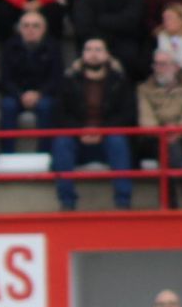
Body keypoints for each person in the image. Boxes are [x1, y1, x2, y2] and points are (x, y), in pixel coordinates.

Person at [52, 38, 138, 212]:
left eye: (98, 50)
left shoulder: (120, 81)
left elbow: (127, 115)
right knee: (62, 142)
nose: (93, 54)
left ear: (107, 55)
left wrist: (102, 130)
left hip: (108, 139)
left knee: (118, 140)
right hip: (78, 140)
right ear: (82, 55)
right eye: (89, 49)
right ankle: (67, 203)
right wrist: (80, 131)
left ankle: (123, 202)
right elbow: (59, 114)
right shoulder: (69, 81)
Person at [137, 48, 182, 194]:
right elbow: (146, 119)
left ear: (176, 67)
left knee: (172, 147)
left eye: (164, 64)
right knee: (166, 147)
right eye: (156, 64)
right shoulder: (144, 89)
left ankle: (169, 199)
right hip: (155, 138)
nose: (159, 68)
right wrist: (164, 132)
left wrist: (177, 131)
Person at [73, 0, 148, 80]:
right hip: (95, 37)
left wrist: (101, 20)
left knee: (131, 55)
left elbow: (132, 19)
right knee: (91, 51)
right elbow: (83, 20)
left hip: (124, 38)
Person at [0, 11, 63, 151]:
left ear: (44, 29)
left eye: (35, 26)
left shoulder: (53, 47)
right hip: (16, 95)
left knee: (47, 106)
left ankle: (45, 153)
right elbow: (5, 79)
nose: (30, 29)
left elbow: (56, 78)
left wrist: (39, 94)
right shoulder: (10, 47)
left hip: (43, 94)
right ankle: (7, 154)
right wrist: (20, 94)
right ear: (19, 29)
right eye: (26, 26)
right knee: (7, 105)